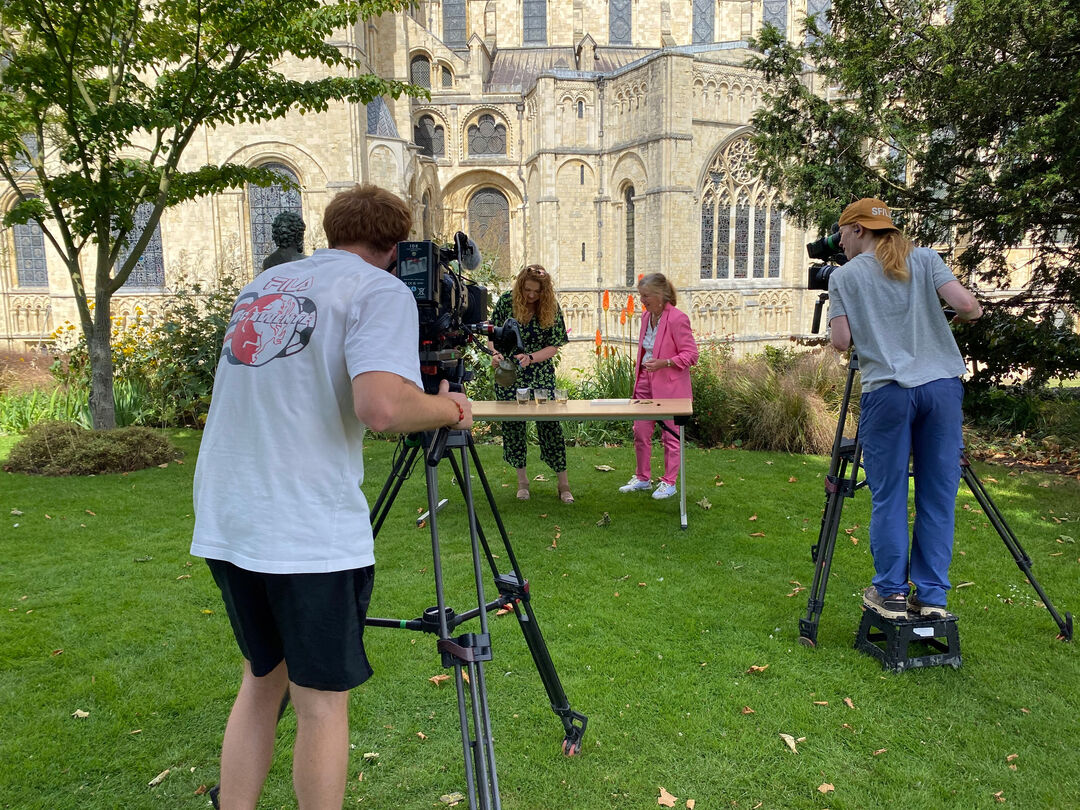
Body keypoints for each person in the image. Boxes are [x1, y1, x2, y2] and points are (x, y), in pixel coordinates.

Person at [191, 183, 472, 810]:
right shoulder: (378, 289)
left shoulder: (265, 286)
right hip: (303, 525)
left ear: (330, 231)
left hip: (228, 513)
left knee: (263, 679)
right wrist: (448, 407)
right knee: (320, 704)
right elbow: (380, 407)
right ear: (395, 246)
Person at [827, 197, 982, 621]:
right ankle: (932, 597)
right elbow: (967, 307)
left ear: (858, 229)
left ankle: (892, 593)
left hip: (889, 391)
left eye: (841, 231)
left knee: (890, 494)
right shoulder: (927, 258)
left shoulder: (845, 277)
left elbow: (842, 342)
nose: (839, 240)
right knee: (938, 494)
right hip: (942, 389)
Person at [488, 264, 574, 503]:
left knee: (550, 428)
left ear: (544, 290)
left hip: (540, 374)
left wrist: (531, 358)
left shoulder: (551, 307)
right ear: (520, 286)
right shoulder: (507, 301)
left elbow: (555, 345)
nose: (531, 295)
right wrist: (495, 355)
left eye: (537, 291)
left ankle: (563, 484)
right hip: (509, 373)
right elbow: (492, 337)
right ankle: (522, 482)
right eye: (527, 290)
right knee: (514, 428)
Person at [618, 272, 699, 500]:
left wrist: (665, 362)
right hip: (644, 381)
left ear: (661, 295)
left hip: (670, 387)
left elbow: (691, 355)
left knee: (670, 436)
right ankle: (643, 478)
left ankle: (669, 482)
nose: (642, 301)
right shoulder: (646, 317)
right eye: (641, 296)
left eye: (646, 296)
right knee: (640, 431)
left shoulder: (677, 318)